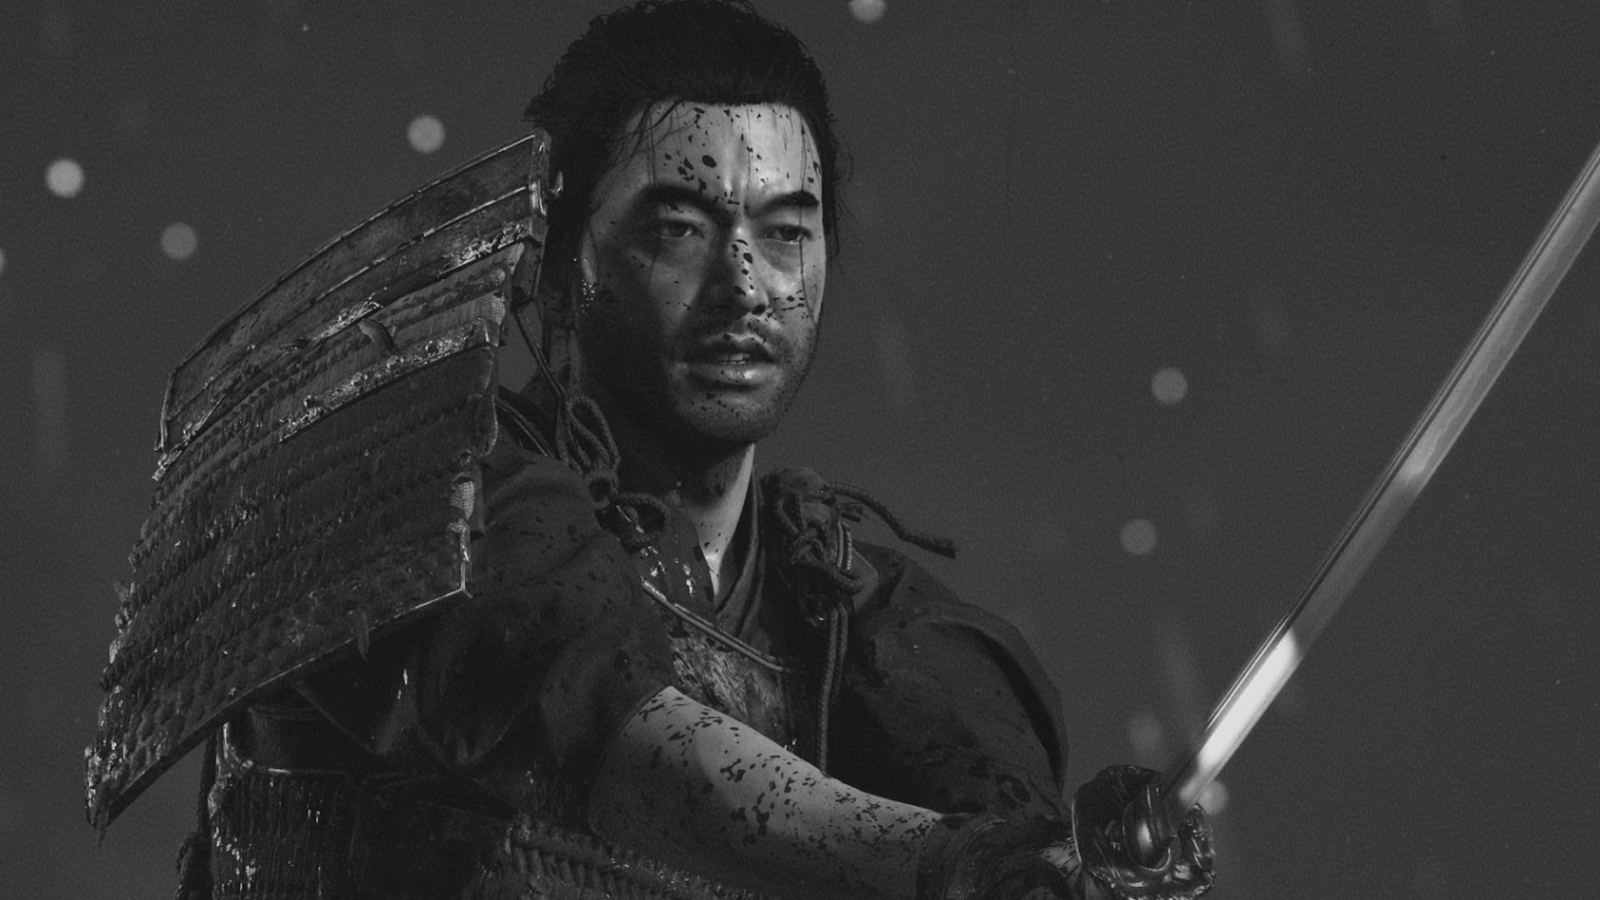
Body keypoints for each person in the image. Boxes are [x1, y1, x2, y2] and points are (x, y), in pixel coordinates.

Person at [86, 3, 1213, 898]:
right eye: (678, 228)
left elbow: (990, 802)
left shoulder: (846, 612)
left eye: (785, 231)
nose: (745, 286)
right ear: (557, 260)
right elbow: (601, 723)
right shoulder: (408, 488)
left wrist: (1066, 857)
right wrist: (948, 865)